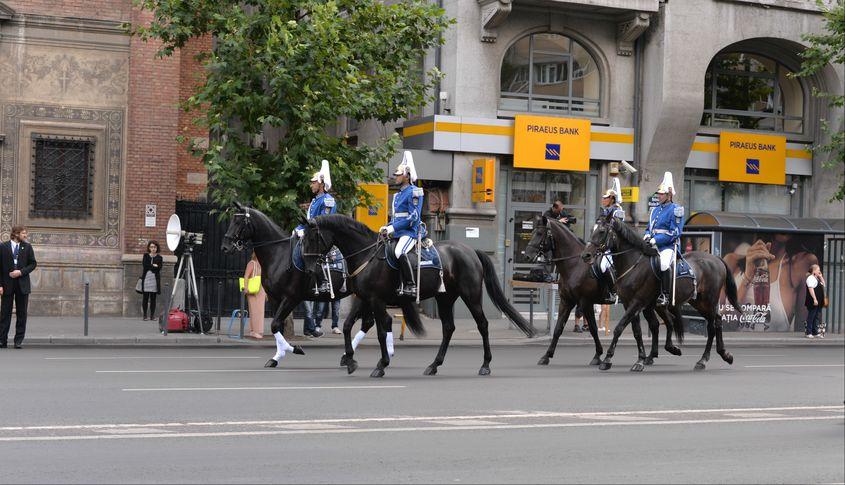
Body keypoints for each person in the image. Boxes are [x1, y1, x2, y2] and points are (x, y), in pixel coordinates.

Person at [380, 151, 425, 297]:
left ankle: (410, 285)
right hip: (398, 231)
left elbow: (413, 217)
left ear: (407, 175)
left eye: (399, 174)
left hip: (410, 232)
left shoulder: (414, 192)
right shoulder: (398, 195)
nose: (396, 177)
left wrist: (393, 227)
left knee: (400, 251)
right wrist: (387, 226)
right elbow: (396, 216)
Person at [294, 159, 336, 295]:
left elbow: (323, 221)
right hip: (312, 233)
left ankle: (323, 280)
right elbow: (308, 221)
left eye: (314, 182)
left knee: (312, 250)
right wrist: (299, 228)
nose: (311, 185)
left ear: (321, 184)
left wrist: (305, 230)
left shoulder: (328, 199)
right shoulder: (314, 201)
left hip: (323, 234)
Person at [643, 171, 684, 306]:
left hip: (668, 246)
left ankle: (665, 295)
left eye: (662, 194)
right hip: (652, 244)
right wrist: (647, 235)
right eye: (659, 193)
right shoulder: (655, 210)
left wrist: (657, 240)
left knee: (664, 264)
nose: (659, 196)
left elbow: (675, 232)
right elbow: (649, 227)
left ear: (669, 195)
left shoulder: (676, 209)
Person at [0, 225, 37, 349]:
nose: (25, 236)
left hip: (22, 284)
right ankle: (2, 340)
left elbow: (33, 264)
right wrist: (0, 285)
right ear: (16, 234)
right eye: (23, 233)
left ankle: (18, 340)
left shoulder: (27, 247)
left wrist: (21, 272)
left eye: (26, 233)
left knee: (22, 313)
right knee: (5, 313)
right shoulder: (3, 247)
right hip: (7, 284)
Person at [597, 177, 624, 303]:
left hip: (612, 244)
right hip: (601, 242)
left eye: (605, 198)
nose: (603, 200)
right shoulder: (604, 211)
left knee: (603, 266)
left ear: (612, 199)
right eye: (603, 198)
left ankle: (613, 291)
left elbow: (619, 229)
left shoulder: (617, 210)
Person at [243, 252, 266, 339]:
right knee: (254, 310)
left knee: (260, 311)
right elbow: (246, 276)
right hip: (252, 289)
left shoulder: (262, 264)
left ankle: (258, 331)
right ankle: (254, 331)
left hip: (261, 289)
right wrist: (245, 288)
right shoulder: (252, 263)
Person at [141, 240, 163, 321]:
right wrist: (154, 266)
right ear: (149, 248)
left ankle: (152, 316)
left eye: (155, 247)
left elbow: (159, 268)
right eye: (151, 247)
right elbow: (145, 265)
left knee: (153, 299)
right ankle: (145, 315)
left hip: (154, 279)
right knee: (145, 298)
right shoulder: (146, 256)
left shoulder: (159, 257)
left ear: (157, 248)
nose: (153, 249)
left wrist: (153, 266)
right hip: (146, 278)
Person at [804, 264, 826, 339]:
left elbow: (824, 284)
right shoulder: (810, 278)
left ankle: (815, 332)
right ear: (814, 271)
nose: (819, 271)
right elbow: (811, 289)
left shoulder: (816, 278)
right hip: (813, 301)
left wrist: (820, 276)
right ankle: (809, 332)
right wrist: (814, 299)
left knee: (816, 317)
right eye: (818, 269)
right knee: (811, 316)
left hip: (818, 302)